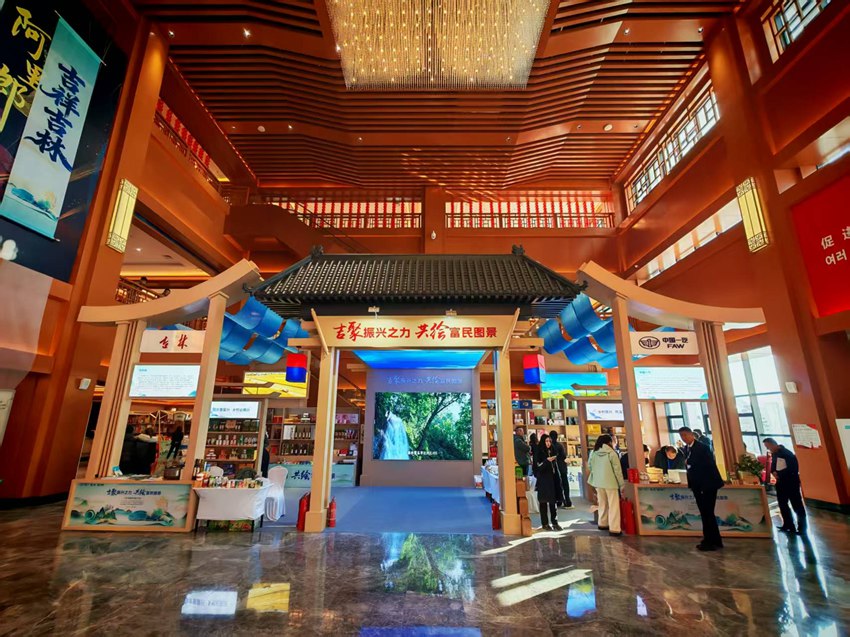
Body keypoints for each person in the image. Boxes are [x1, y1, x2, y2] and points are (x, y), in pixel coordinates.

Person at [679, 426, 725, 551]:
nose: (683, 438)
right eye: (681, 436)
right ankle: (711, 539)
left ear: (691, 435)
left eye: (685, 435)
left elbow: (707, 465)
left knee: (708, 512)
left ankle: (711, 541)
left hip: (707, 484)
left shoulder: (702, 447)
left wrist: (690, 463)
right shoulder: (687, 449)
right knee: (705, 513)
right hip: (697, 485)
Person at [764, 438, 807, 534]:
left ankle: (802, 528)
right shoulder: (774, 454)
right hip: (780, 483)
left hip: (791, 482)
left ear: (773, 444)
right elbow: (773, 466)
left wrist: (780, 474)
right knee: (782, 504)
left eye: (768, 447)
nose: (768, 449)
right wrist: (774, 472)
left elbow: (793, 469)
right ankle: (788, 524)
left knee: (797, 505)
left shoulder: (787, 454)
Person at [588, 434, 625, 536]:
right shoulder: (612, 453)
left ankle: (602, 523)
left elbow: (590, 466)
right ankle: (614, 528)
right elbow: (617, 471)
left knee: (602, 504)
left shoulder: (593, 453)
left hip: (598, 483)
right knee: (613, 506)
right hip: (611, 483)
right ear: (609, 442)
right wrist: (621, 484)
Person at [533, 434, 564, 531]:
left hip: (553, 479)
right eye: (546, 441)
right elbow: (537, 467)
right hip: (543, 480)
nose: (548, 443)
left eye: (549, 441)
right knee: (543, 502)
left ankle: (555, 522)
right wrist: (546, 461)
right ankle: (545, 523)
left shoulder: (553, 450)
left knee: (553, 501)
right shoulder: (539, 452)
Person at [549, 429, 573, 508]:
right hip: (562, 467)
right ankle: (567, 500)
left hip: (554, 468)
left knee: (556, 485)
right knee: (565, 484)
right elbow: (563, 456)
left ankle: (559, 500)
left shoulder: (550, 446)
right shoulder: (560, 445)